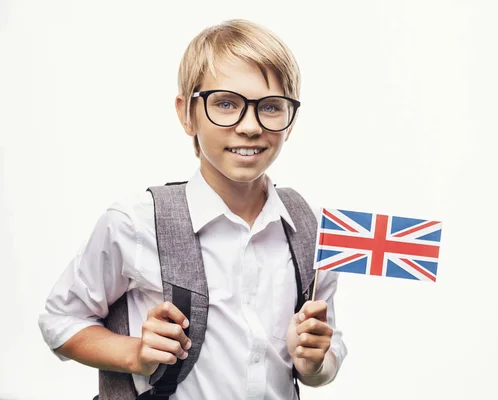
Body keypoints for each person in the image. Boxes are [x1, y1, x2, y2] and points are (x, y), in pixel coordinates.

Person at [37, 18, 347, 399]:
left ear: (290, 118)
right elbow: (60, 319)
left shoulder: (306, 228)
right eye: (226, 103)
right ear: (187, 114)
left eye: (270, 107)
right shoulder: (136, 223)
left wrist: (315, 363)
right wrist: (135, 353)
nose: (249, 126)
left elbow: (325, 360)